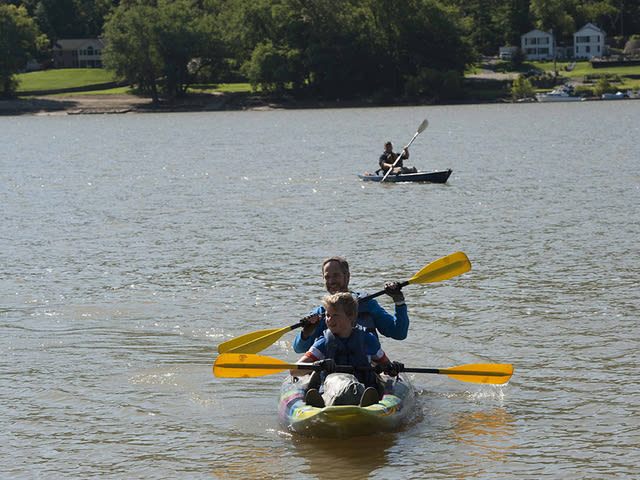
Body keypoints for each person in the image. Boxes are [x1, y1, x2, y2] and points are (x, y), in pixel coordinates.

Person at [289, 292, 403, 408]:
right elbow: (294, 371)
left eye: (335, 315)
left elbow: (386, 366)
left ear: (351, 317)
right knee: (340, 384)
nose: (329, 320)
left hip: (363, 390)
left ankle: (366, 403)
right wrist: (318, 364)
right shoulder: (323, 342)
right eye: (328, 315)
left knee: (359, 386)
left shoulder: (368, 340)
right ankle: (321, 403)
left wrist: (393, 368)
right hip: (332, 391)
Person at [292, 256, 409, 354]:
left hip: (367, 364)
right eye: (327, 277)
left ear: (347, 276)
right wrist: (306, 333)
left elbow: (399, 333)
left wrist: (399, 301)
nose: (331, 281)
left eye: (336, 275)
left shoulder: (367, 303)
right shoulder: (321, 313)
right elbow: (299, 349)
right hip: (333, 370)